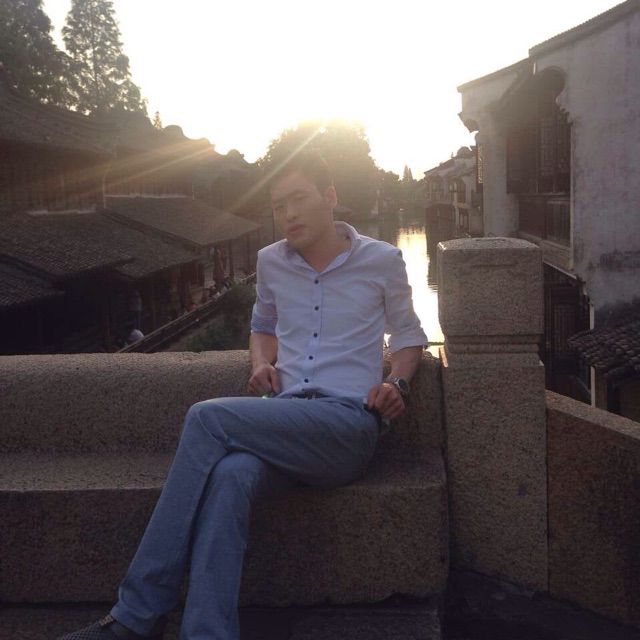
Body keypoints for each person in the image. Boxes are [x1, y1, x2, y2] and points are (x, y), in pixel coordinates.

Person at [58, 152, 427, 640]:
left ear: (330, 197)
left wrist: (397, 383)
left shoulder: (381, 259)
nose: (288, 213)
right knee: (231, 475)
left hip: (347, 424)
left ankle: (136, 613)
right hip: (286, 418)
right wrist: (260, 365)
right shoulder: (271, 261)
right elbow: (263, 327)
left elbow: (408, 335)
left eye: (299, 198)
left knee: (206, 418)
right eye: (278, 205)